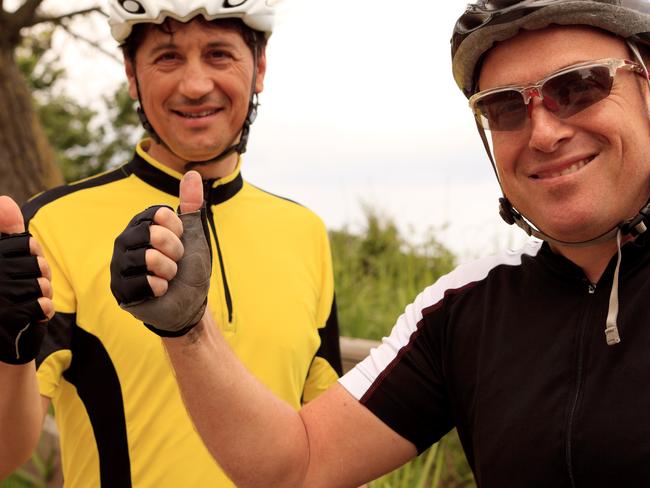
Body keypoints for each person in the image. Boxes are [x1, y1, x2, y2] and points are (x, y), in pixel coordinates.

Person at [110, 0, 650, 486]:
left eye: (579, 87)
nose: (543, 133)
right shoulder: (464, 309)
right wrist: (188, 332)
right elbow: (297, 467)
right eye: (506, 107)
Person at [0, 0, 342, 485]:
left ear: (259, 67)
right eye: (167, 57)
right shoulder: (53, 225)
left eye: (219, 54)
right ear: (132, 76)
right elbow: (5, 455)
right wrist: (8, 354)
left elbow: (330, 445)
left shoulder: (304, 231)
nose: (195, 84)